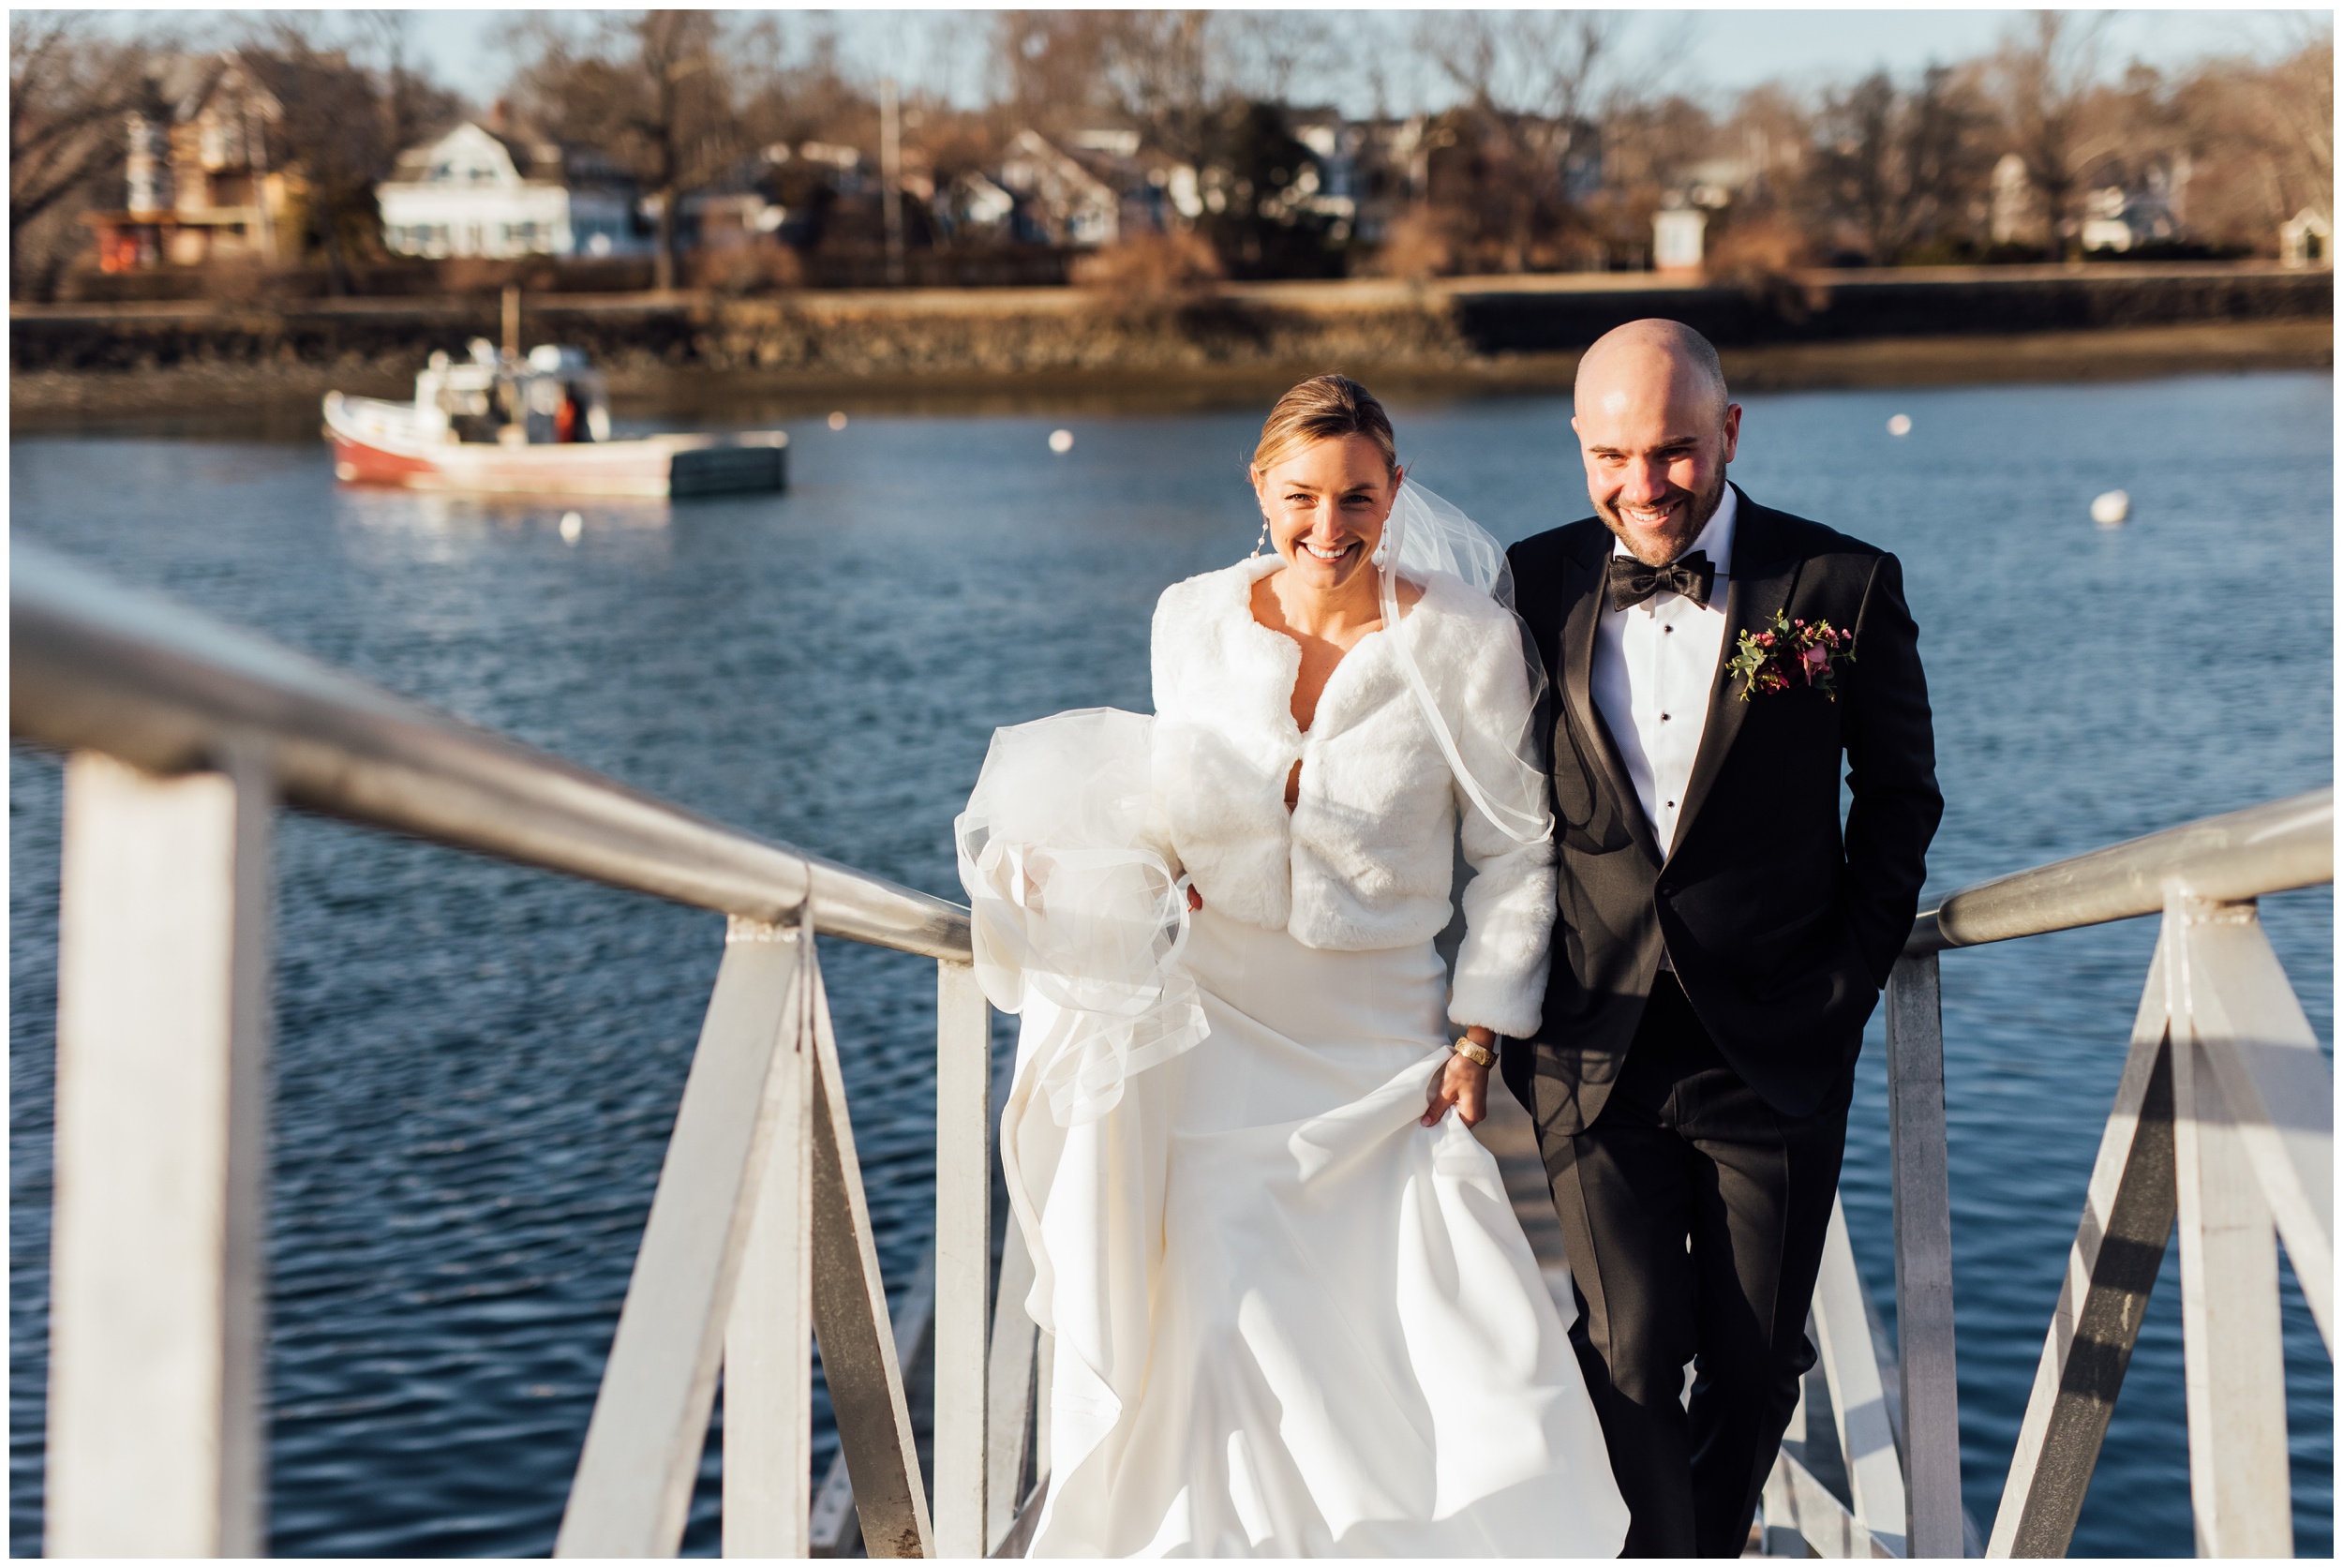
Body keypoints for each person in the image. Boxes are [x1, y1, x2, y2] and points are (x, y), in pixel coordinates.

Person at [958, 375, 1628, 1557]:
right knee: (1222, 1327)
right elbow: (1170, 805)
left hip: (1383, 1040)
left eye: (1358, 496)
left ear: (1396, 491)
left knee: (1442, 1332)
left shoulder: (1465, 640)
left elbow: (1519, 853)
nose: (1329, 527)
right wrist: (1074, 871)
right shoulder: (1189, 617)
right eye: (1302, 496)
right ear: (1260, 489)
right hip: (1215, 1026)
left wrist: (1480, 1032)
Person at [1502, 320, 1943, 1557]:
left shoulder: (1840, 585)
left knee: (1754, 1370)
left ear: (1731, 432)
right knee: (1633, 1350)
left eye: (1676, 452)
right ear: (1580, 446)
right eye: (1613, 455)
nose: (1644, 486)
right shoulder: (1526, 584)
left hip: (1777, 1048)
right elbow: (1459, 791)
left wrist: (1844, 984)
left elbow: (1901, 800)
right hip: (1593, 1041)